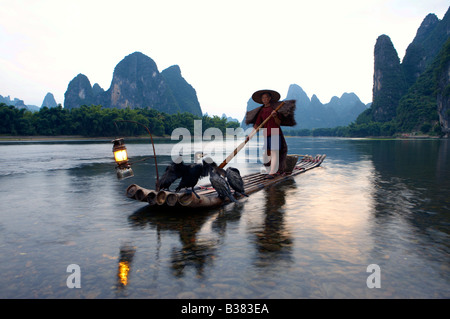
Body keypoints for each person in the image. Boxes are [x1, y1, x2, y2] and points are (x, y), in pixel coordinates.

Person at [251, 89, 288, 179]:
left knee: (274, 152)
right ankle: (271, 169)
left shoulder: (275, 109)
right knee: (268, 153)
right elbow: (257, 124)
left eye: (266, 97)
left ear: (270, 98)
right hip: (266, 133)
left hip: (275, 132)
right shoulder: (262, 111)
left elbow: (278, 123)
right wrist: (250, 134)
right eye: (263, 98)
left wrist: (275, 116)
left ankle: (272, 172)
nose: (265, 99)